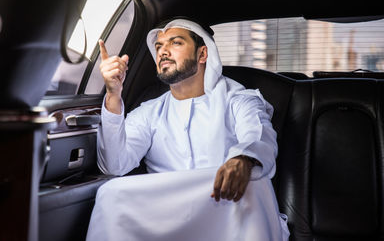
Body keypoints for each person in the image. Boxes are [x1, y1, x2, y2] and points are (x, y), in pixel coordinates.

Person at [86, 18, 289, 241]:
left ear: (202, 54)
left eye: (175, 43)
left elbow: (258, 135)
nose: (163, 52)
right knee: (110, 193)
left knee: (252, 182)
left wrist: (242, 159)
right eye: (159, 46)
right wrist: (113, 95)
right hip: (168, 213)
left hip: (226, 209)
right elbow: (114, 165)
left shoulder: (239, 99)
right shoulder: (150, 111)